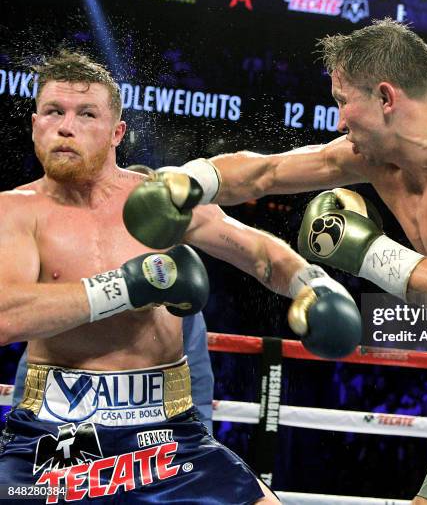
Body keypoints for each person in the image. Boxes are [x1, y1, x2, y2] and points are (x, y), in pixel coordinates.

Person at [126, 19, 427, 503]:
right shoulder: (371, 161)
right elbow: (265, 172)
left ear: (385, 97)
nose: (338, 121)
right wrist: (185, 183)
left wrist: (366, 250)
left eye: (342, 101)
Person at [0, 50, 361, 503]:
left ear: (116, 133)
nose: (66, 126)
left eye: (86, 114)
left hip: (165, 435)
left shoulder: (159, 200)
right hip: (53, 436)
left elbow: (259, 253)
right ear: (36, 125)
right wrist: (126, 288)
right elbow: (5, 316)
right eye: (54, 112)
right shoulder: (14, 211)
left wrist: (313, 282)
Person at [10, 165, 216, 434]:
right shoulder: (74, 285)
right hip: (71, 425)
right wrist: (22, 427)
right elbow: (37, 361)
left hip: (148, 430)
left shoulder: (176, 291)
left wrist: (200, 438)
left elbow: (196, 377)